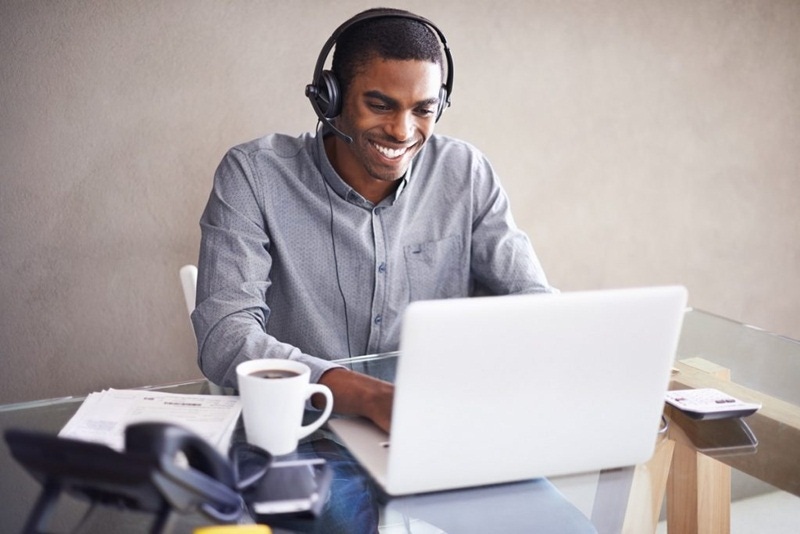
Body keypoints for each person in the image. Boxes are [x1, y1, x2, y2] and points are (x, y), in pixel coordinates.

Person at [193, 8, 555, 435]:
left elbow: (535, 305)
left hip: (434, 425)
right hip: (306, 432)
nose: (403, 131)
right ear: (331, 96)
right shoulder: (254, 174)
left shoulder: (464, 173)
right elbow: (225, 336)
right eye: (380, 105)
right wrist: (370, 397)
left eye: (424, 109)